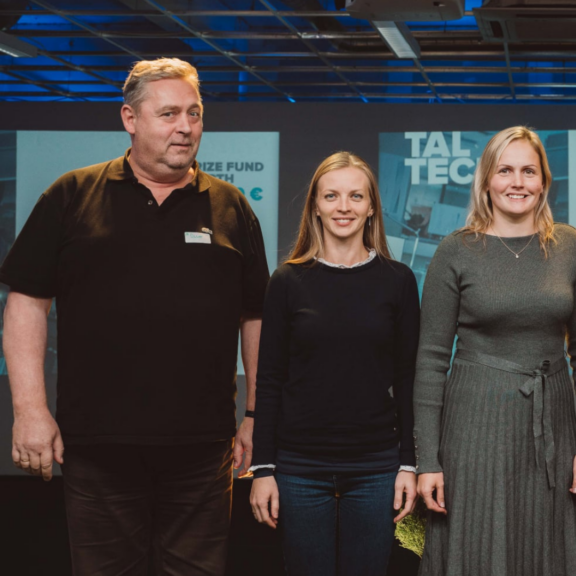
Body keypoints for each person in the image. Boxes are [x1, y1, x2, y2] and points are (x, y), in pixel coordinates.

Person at [0, 58, 269, 575]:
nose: (185, 127)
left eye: (194, 113)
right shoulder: (71, 195)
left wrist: (257, 416)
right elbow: (26, 303)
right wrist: (29, 410)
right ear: (130, 118)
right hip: (97, 447)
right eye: (169, 114)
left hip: (203, 448)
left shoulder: (231, 205)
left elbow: (256, 316)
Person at [414, 126, 576, 575]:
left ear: (544, 181)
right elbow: (431, 360)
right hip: (475, 426)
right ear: (486, 181)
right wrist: (428, 461)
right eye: (505, 171)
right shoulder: (455, 251)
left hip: (553, 425)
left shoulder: (570, 246)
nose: (518, 182)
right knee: (477, 549)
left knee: (546, 549)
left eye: (529, 171)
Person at [247, 151, 419, 575]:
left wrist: (409, 463)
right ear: (315, 206)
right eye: (331, 196)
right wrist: (263, 468)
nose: (344, 207)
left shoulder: (398, 280)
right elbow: (269, 379)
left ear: (371, 207)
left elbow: (408, 379)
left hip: (376, 467)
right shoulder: (287, 281)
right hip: (299, 467)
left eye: (356, 196)